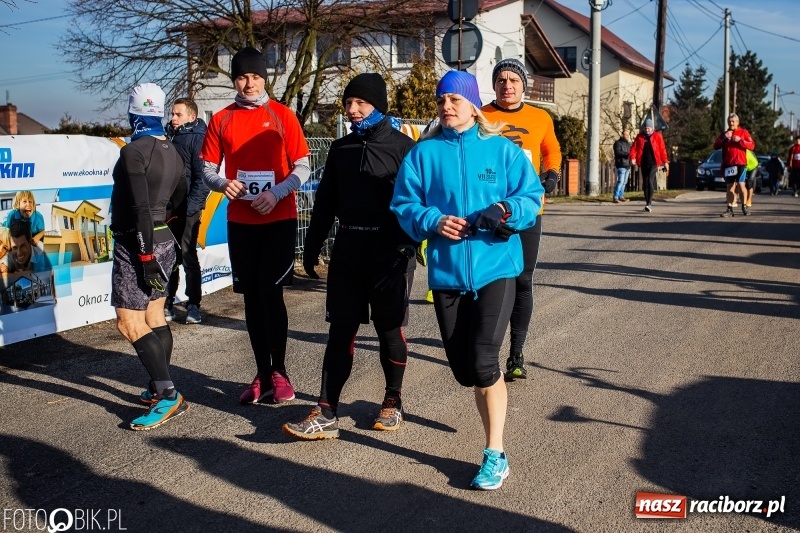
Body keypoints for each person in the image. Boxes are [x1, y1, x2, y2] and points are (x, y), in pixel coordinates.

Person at [391, 71, 543, 490]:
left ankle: (495, 454)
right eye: (441, 100)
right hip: (448, 274)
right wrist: (433, 221)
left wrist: (504, 210)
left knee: (484, 361)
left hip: (497, 268)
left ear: (474, 106)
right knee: (464, 371)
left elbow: (531, 197)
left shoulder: (502, 149)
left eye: (455, 99)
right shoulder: (423, 155)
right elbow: (403, 205)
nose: (446, 106)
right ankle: (489, 424)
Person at [282, 73, 417, 440]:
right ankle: (326, 411)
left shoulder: (405, 149)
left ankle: (392, 400)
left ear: (379, 106)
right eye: (348, 103)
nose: (352, 109)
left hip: (390, 254)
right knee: (341, 331)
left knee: (389, 330)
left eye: (361, 102)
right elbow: (326, 202)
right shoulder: (341, 149)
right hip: (348, 251)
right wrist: (312, 246)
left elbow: (418, 204)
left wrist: (409, 244)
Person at [200, 47, 311, 404]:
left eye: (255, 77)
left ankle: (280, 372)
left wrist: (277, 193)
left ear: (265, 78)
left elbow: (303, 166)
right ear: (235, 80)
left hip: (279, 217)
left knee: (271, 293)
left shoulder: (282, 115)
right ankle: (262, 374)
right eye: (242, 77)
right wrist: (223, 184)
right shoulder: (222, 119)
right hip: (241, 220)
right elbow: (206, 169)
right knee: (251, 297)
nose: (249, 84)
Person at [110, 83, 188, 430]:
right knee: (154, 315)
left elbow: (140, 208)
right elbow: (180, 199)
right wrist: (169, 238)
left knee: (128, 322)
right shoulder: (173, 150)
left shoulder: (133, 151)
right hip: (163, 238)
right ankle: (158, 387)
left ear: (133, 113)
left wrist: (144, 255)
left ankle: (168, 394)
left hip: (137, 243)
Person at [482, 57, 561, 381]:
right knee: (490, 281)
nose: (507, 85)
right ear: (494, 85)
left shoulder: (540, 117)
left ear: (523, 86)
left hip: (528, 210)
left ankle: (516, 354)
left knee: (523, 280)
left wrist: (552, 173)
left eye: (514, 80)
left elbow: (552, 150)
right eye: (501, 80)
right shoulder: (481, 116)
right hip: (490, 212)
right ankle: (486, 351)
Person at [164, 97, 209, 324]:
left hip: (188, 210)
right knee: (168, 256)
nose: (173, 118)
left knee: (188, 255)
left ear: (192, 117)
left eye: (178, 114)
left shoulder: (198, 139)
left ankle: (193, 305)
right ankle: (167, 302)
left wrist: (190, 208)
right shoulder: (167, 136)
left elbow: (202, 179)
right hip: (167, 209)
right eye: (172, 114)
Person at [713, 113, 755, 217]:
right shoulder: (724, 134)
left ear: (737, 122)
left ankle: (744, 206)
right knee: (730, 187)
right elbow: (715, 146)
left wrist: (740, 141)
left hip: (740, 163)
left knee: (741, 185)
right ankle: (729, 209)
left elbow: (752, 145)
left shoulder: (744, 132)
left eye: (733, 121)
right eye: (729, 121)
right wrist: (724, 138)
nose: (731, 123)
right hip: (729, 164)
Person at [630, 119, 668, 213]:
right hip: (643, 162)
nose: (647, 130)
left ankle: (650, 203)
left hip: (654, 162)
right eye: (645, 128)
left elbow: (662, 149)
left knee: (649, 180)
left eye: (649, 128)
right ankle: (647, 203)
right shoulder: (640, 137)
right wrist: (632, 157)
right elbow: (634, 148)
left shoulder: (657, 136)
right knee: (645, 183)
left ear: (652, 128)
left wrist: (665, 161)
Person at [612, 129, 632, 203]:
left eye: (628, 135)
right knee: (621, 181)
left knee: (624, 182)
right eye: (626, 134)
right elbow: (618, 152)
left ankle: (621, 196)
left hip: (628, 165)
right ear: (622, 135)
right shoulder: (617, 143)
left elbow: (631, 153)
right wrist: (627, 154)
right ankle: (615, 197)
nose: (627, 136)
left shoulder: (628, 144)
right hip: (621, 164)